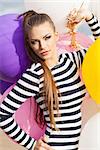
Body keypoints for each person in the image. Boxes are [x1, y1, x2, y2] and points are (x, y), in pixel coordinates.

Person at [0, 7, 100, 150]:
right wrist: (32, 144)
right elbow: (3, 114)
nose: (42, 46)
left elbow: (99, 49)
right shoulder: (35, 74)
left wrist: (89, 17)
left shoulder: (73, 59)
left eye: (47, 38)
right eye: (35, 41)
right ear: (30, 44)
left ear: (56, 35)